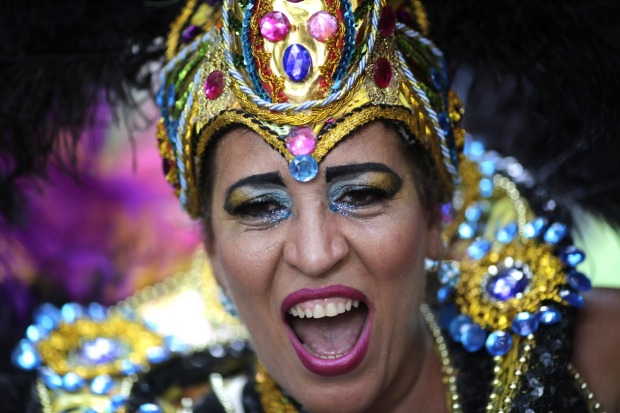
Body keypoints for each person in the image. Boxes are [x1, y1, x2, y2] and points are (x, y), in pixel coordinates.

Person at [7, 0, 620, 412]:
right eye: (258, 208)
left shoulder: (594, 361)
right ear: (213, 252)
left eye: (362, 195)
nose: (316, 252)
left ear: (438, 219)